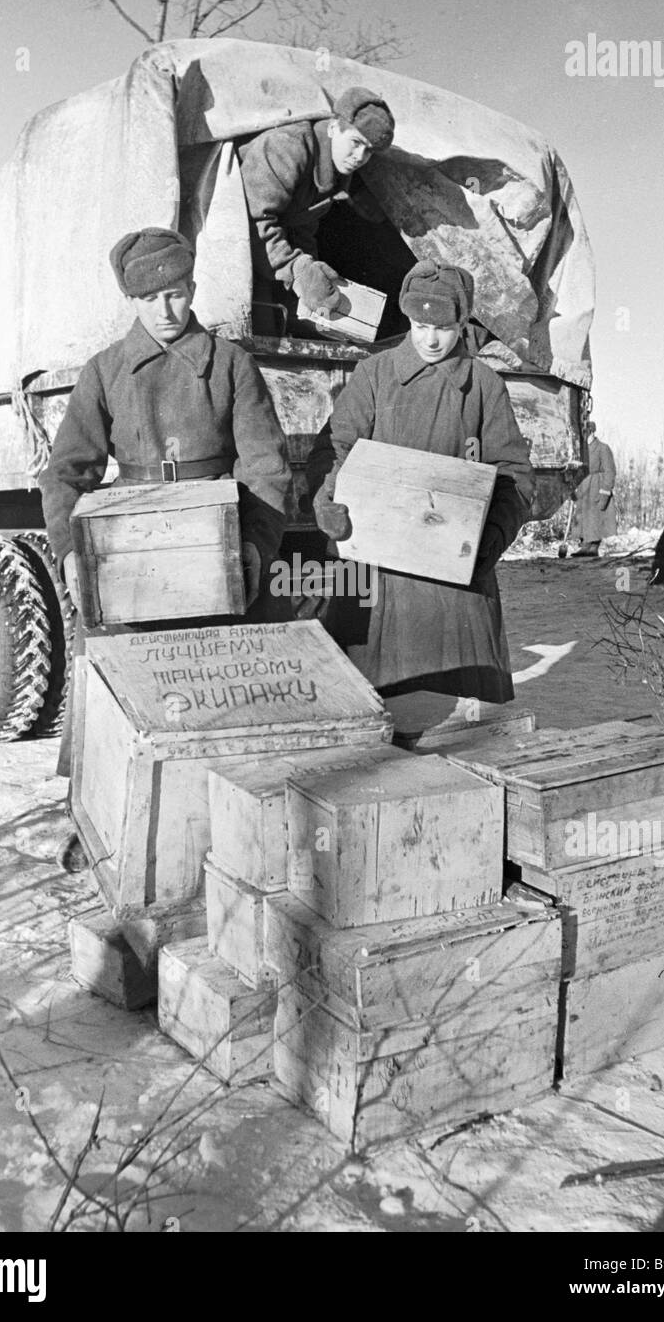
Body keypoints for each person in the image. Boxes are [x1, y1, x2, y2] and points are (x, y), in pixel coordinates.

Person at [40, 227, 292, 863]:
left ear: (193, 290)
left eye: (176, 294)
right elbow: (67, 472)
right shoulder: (104, 372)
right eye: (150, 298)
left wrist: (255, 546)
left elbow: (264, 463)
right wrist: (73, 552)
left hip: (214, 543)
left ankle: (219, 824)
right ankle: (95, 812)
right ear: (133, 301)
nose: (166, 310)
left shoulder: (232, 364)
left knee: (219, 687)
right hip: (130, 547)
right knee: (116, 682)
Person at [306, 259, 535, 702]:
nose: (430, 339)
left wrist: (489, 538)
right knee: (379, 713)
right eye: (419, 324)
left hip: (455, 584)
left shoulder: (484, 385)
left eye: (443, 328)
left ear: (463, 321)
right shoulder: (375, 374)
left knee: (463, 720)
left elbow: (515, 476)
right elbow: (334, 449)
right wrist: (328, 498)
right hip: (377, 578)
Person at [237, 87, 396, 325]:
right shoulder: (287, 147)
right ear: (333, 127)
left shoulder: (338, 170)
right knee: (255, 325)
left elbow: (303, 226)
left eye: (369, 151)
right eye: (356, 142)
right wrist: (298, 271)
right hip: (230, 249)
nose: (359, 157)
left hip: (266, 256)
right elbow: (253, 223)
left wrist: (314, 273)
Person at [571, 421, 617, 556]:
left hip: (597, 486)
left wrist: (605, 491)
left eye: (585, 432)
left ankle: (593, 546)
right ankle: (585, 545)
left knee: (595, 516)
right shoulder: (579, 450)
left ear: (591, 431)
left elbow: (610, 472)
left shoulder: (603, 448)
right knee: (583, 516)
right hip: (583, 486)